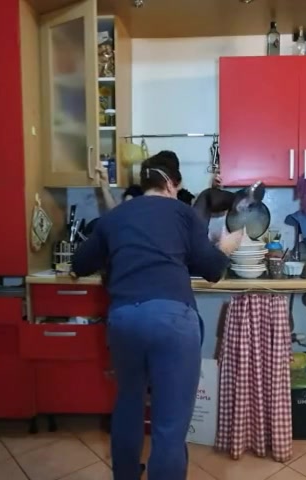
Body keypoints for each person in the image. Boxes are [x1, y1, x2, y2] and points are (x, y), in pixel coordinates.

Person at [72, 152, 244, 480]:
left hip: (124, 321)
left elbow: (79, 264)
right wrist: (226, 247)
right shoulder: (182, 213)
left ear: (144, 183)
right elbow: (211, 270)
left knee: (129, 404)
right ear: (172, 184)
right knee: (169, 423)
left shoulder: (116, 216)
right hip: (172, 321)